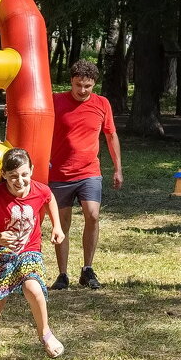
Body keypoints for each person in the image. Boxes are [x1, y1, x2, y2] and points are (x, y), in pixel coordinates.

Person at [0, 147, 65, 360]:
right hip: (1, 255)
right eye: (13, 176)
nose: (20, 181)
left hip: (29, 252)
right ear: (3, 174)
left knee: (33, 288)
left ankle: (46, 334)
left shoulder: (39, 190)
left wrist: (57, 227)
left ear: (31, 170)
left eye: (24, 174)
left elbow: (49, 197)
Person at [48, 59, 123, 291]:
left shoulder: (102, 104)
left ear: (94, 85)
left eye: (87, 86)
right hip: (59, 173)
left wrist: (118, 168)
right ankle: (62, 274)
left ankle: (87, 269)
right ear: (71, 81)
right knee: (63, 223)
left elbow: (111, 136)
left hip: (89, 171)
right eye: (78, 85)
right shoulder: (55, 100)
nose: (82, 90)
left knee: (93, 215)